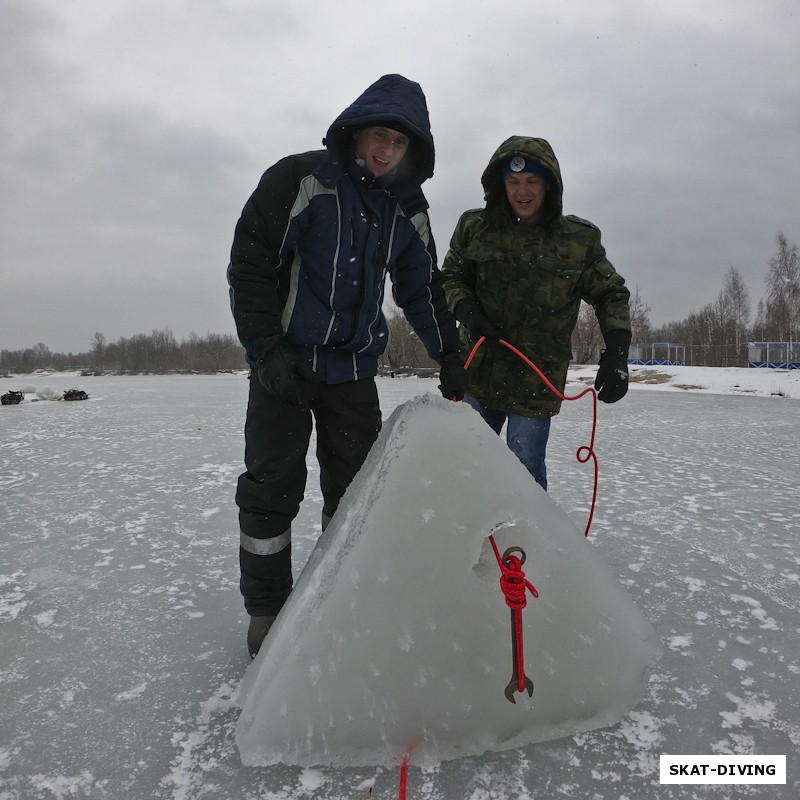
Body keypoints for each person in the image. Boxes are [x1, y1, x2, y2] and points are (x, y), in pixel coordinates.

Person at [227, 74, 466, 657]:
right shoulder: (302, 179)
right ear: (357, 133)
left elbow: (423, 288)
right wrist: (267, 351)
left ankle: (337, 597)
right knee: (270, 492)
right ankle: (268, 612)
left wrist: (450, 355)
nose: (386, 150)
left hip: (353, 375)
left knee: (356, 493)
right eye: (379, 135)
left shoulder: (406, 207)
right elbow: (252, 263)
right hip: (286, 369)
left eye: (400, 143)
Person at [441, 136, 631, 491]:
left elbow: (611, 293)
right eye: (513, 182)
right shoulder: (474, 228)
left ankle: (524, 544)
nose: (521, 191)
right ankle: (468, 541)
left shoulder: (577, 240)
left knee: (524, 468)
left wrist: (617, 353)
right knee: (464, 464)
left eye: (531, 182)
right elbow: (451, 276)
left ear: (549, 185)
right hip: (478, 372)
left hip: (535, 380)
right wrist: (467, 313)